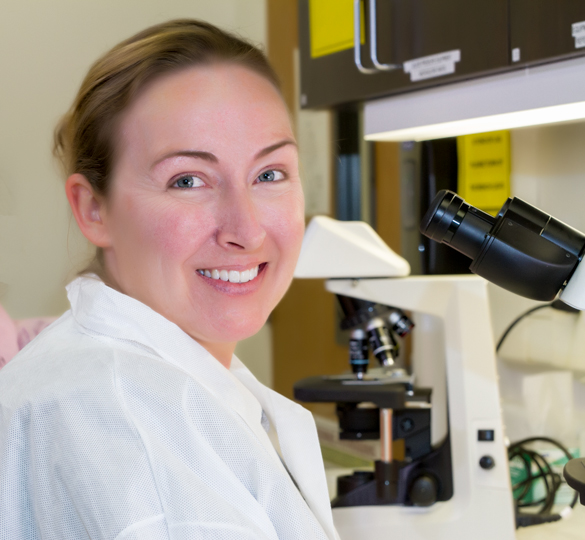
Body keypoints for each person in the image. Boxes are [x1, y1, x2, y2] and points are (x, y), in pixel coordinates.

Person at [0, 20, 339, 540]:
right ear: (94, 208)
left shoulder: (149, 381)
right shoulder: (128, 426)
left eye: (269, 174)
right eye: (188, 180)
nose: (246, 231)